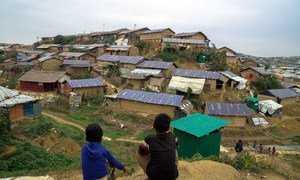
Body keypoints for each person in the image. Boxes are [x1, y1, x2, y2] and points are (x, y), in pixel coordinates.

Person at [136, 113, 179, 180]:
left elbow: (141, 153)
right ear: (168, 127)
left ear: (154, 126)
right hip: (173, 175)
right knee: (175, 149)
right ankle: (173, 169)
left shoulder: (149, 139)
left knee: (138, 154)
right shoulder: (173, 137)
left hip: (155, 176)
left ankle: (147, 173)